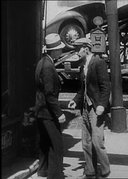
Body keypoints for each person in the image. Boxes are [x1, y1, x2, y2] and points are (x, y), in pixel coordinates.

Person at [68, 38, 111, 179]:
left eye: (77, 49)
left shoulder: (99, 63)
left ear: (86, 48)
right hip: (86, 107)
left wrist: (101, 105)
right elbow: (83, 88)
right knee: (86, 142)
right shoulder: (83, 65)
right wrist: (75, 101)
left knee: (97, 142)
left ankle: (105, 171)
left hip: (96, 108)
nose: (76, 52)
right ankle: (90, 172)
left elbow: (105, 87)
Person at [34, 33, 66, 179]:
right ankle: (55, 175)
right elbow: (49, 94)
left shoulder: (43, 62)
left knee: (45, 142)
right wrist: (59, 113)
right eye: (59, 48)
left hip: (41, 110)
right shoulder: (48, 66)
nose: (61, 51)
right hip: (48, 112)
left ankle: (43, 170)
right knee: (57, 144)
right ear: (54, 50)